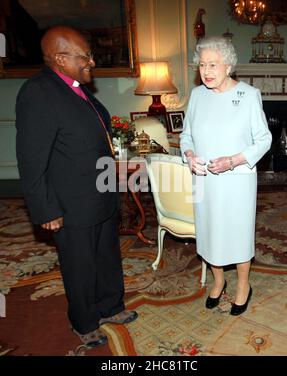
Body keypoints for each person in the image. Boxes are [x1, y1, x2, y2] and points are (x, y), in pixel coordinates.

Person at [15, 26, 137, 347]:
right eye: (85, 56)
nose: (92, 62)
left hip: (100, 193)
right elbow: (31, 159)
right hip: (70, 201)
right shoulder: (38, 93)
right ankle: (83, 321)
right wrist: (45, 208)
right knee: (80, 263)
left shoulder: (77, 88)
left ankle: (110, 306)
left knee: (107, 255)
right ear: (59, 58)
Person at [180, 36, 272, 316]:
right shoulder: (196, 95)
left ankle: (243, 284)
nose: (206, 71)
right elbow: (186, 136)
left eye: (212, 64)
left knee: (238, 231)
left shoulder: (248, 95)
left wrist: (232, 160)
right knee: (209, 231)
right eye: (202, 65)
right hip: (204, 179)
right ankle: (218, 281)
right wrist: (190, 156)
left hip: (237, 179)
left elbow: (264, 139)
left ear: (228, 65)